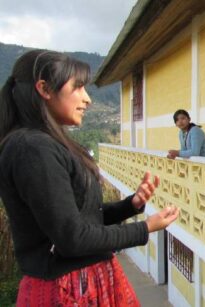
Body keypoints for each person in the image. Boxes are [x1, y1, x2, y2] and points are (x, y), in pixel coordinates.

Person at [0, 50, 179, 306]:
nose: (87, 99)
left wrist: (131, 205)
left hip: (85, 280)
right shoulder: (32, 148)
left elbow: (81, 217)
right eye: (78, 87)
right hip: (67, 288)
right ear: (45, 88)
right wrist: (145, 227)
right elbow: (73, 238)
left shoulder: (48, 144)